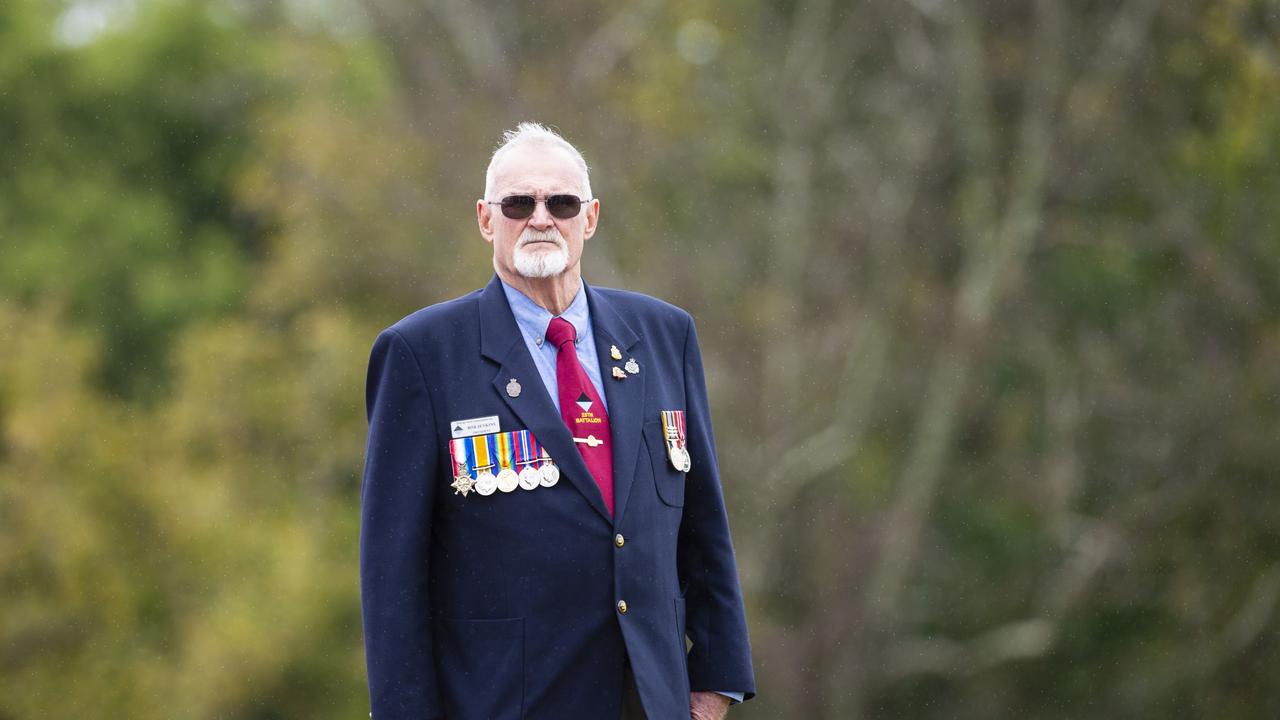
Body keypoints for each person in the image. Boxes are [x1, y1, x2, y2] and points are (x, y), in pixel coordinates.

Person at [360, 122, 755, 720]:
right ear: (486, 219)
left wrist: (715, 686)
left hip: (652, 702)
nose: (541, 218)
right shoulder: (422, 353)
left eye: (561, 202)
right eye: (519, 203)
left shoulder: (663, 334)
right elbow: (393, 576)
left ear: (589, 218)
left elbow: (704, 526)